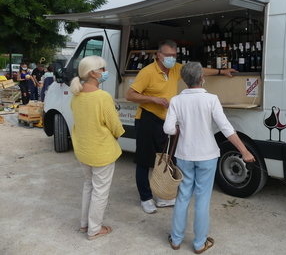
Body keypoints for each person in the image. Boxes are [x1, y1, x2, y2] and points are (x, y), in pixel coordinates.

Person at [125, 40, 236, 214]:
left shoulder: (176, 68)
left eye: (174, 55)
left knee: (166, 160)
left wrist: (221, 71)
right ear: (159, 55)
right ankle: (145, 198)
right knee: (144, 161)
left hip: (166, 121)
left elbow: (198, 70)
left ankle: (163, 195)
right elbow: (130, 95)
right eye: (168, 55)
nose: (171, 58)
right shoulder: (147, 72)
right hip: (147, 119)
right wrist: (153, 99)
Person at [163, 62, 255, 254]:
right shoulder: (211, 99)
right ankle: (199, 244)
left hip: (184, 155)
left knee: (182, 197)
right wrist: (244, 151)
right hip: (207, 156)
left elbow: (168, 129)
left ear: (185, 80)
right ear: (201, 79)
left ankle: (176, 240)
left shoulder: (176, 101)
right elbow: (226, 128)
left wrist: (178, 129)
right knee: (202, 199)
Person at [70, 56, 125, 241]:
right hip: (101, 152)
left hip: (83, 150)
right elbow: (115, 125)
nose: (105, 72)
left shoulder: (76, 95)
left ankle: (85, 224)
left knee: (89, 185)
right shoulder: (102, 97)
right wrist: (116, 135)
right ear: (92, 73)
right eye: (102, 69)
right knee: (100, 191)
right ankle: (94, 229)